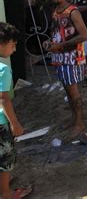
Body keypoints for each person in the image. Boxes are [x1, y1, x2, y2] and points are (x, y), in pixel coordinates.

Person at [45, 0, 87, 138]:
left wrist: (61, 45)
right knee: (67, 91)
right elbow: (57, 32)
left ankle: (80, 123)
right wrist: (50, 43)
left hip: (71, 57)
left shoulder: (73, 11)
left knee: (74, 92)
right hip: (59, 57)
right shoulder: (55, 11)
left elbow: (84, 35)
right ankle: (74, 119)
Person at [0, 22, 32, 199]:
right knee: (5, 159)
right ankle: (5, 193)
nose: (14, 50)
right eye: (13, 45)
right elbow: (3, 99)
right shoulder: (3, 70)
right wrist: (15, 124)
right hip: (0, 123)